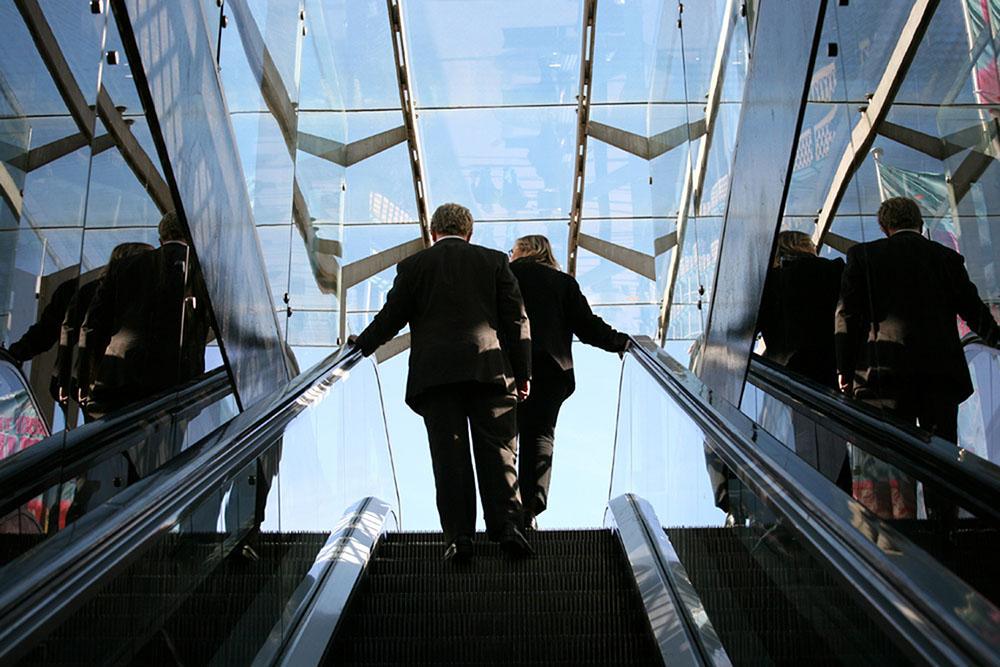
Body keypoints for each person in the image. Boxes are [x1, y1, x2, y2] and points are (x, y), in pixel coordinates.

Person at [352, 203, 533, 562]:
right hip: (489, 371)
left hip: (435, 377)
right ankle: (507, 529)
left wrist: (361, 346)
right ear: (469, 232)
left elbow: (391, 318)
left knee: (448, 458)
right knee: (499, 451)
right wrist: (523, 372)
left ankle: (459, 538)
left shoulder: (414, 266)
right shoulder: (494, 261)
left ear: (433, 233)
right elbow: (516, 320)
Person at [836, 196, 1000, 520]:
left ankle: (902, 526)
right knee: (941, 453)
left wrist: (844, 369)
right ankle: (945, 526)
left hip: (883, 375)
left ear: (884, 227)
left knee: (892, 451)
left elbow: (848, 316)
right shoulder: (946, 259)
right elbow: (974, 311)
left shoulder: (863, 256)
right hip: (940, 375)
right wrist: (997, 339)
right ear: (920, 223)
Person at [507, 235, 628, 529]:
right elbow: (588, 327)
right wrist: (620, 342)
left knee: (501, 439)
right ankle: (530, 510)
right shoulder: (562, 283)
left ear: (524, 250)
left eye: (513, 249)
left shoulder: (504, 276)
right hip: (550, 368)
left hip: (505, 365)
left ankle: (505, 510)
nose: (510, 254)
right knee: (540, 434)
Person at [77, 212, 211, 424]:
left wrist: (86, 377)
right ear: (193, 237)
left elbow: (93, 325)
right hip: (174, 385)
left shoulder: (124, 266)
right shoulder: (207, 273)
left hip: (118, 379)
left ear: (160, 239)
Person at [757, 231, 850, 492]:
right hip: (826, 365)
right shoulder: (832, 270)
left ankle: (806, 498)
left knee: (800, 437)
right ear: (805, 245)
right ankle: (841, 499)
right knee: (833, 436)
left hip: (785, 374)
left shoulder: (768, 283)